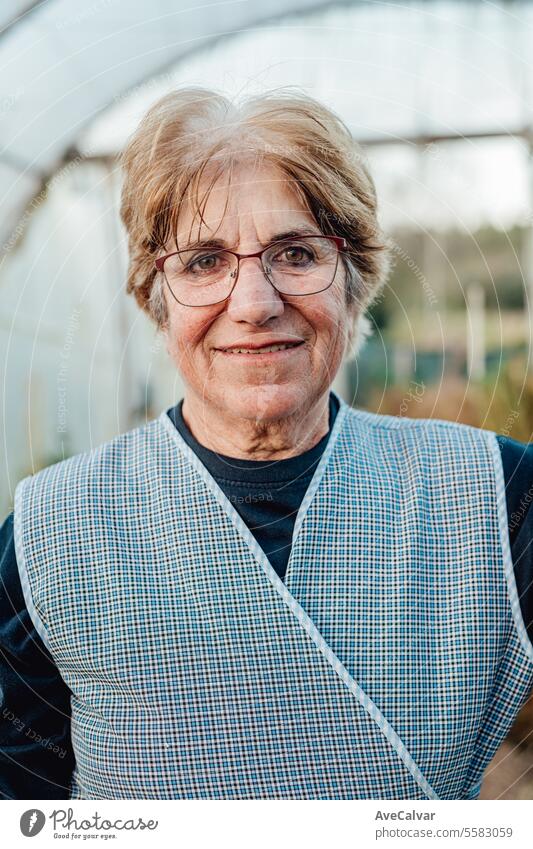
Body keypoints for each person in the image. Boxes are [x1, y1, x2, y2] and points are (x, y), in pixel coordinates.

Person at [1, 87, 533, 801]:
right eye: (203, 261)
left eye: (295, 251)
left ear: (353, 280)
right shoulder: (48, 537)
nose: (253, 303)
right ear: (154, 297)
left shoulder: (495, 499)